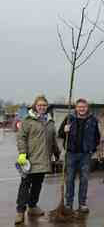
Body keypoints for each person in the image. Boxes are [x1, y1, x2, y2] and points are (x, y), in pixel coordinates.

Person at [15, 95, 60, 225]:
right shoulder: (28, 120)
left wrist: (57, 154)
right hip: (29, 160)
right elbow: (21, 137)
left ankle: (33, 206)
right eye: (40, 105)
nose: (42, 107)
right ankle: (20, 211)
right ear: (35, 106)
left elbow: (53, 141)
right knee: (25, 185)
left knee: (37, 185)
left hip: (43, 160)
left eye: (44, 105)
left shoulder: (50, 122)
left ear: (47, 107)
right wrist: (22, 153)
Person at [58, 98, 100, 213]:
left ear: (87, 108)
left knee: (84, 179)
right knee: (70, 179)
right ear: (76, 107)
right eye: (79, 106)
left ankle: (82, 203)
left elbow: (97, 137)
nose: (82, 109)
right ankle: (68, 203)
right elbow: (60, 134)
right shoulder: (69, 118)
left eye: (84, 107)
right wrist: (64, 130)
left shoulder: (93, 120)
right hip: (71, 153)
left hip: (85, 155)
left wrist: (92, 149)